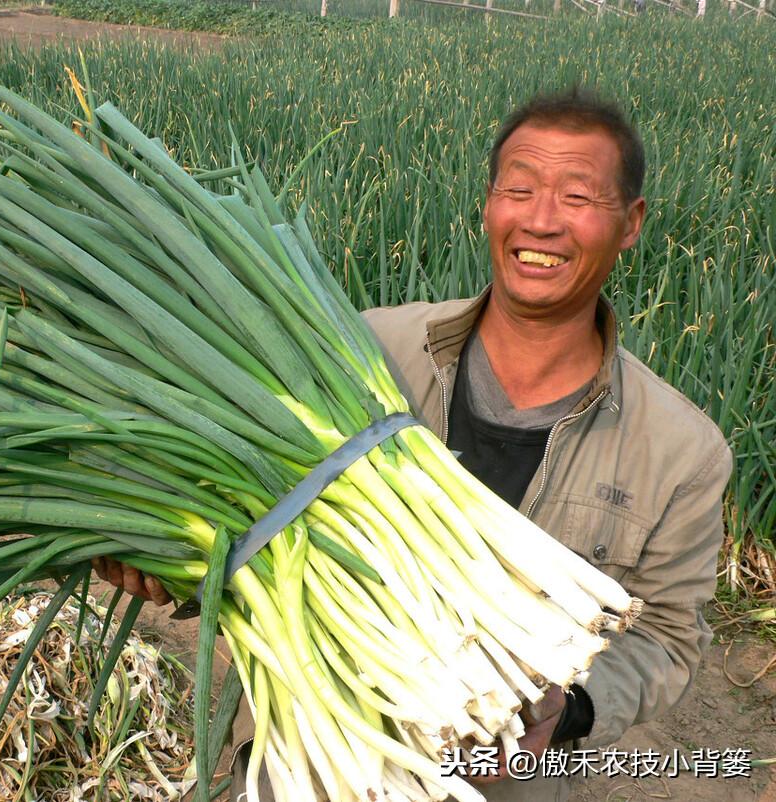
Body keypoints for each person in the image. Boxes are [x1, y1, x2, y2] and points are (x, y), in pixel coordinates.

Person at [93, 88, 732, 802]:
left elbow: (670, 639)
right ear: (489, 206)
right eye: (519, 190)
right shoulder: (351, 349)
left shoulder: (682, 450)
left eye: (578, 197)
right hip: (306, 765)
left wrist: (569, 707)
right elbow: (245, 515)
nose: (542, 220)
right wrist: (170, 557)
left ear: (630, 222)